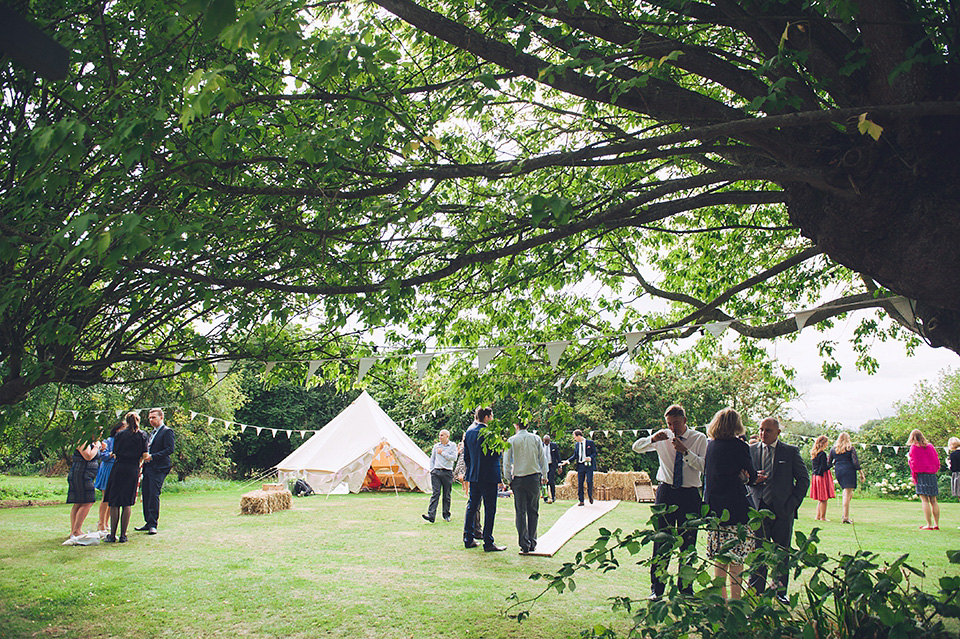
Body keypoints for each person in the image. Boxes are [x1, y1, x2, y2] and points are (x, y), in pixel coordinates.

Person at [632, 404, 707, 599]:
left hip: (690, 494)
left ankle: (686, 589)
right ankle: (657, 589)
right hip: (665, 492)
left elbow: (704, 466)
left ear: (685, 421)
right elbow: (637, 448)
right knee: (661, 540)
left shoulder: (699, 438)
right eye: (669, 423)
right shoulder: (662, 436)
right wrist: (651, 439)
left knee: (688, 542)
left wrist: (685, 452)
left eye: (675, 423)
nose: (672, 427)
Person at [747, 417, 809, 602]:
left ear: (778, 433)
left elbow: (803, 480)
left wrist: (792, 504)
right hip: (758, 508)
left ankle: (779, 592)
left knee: (782, 553)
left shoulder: (789, 452)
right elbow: (742, 478)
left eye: (768, 431)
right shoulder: (750, 451)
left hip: (782, 509)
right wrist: (751, 479)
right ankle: (755, 593)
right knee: (758, 552)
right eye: (761, 430)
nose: (763, 434)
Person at [703, 408, 757, 600]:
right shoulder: (740, 446)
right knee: (736, 562)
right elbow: (752, 476)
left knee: (719, 561)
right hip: (736, 509)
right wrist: (745, 477)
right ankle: (735, 604)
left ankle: (720, 604)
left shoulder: (711, 446)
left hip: (716, 509)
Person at [462, 407, 505, 551]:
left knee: (472, 506)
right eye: (491, 416)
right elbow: (497, 455)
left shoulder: (468, 433)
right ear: (486, 417)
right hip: (489, 476)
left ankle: (468, 538)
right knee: (490, 508)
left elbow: (466, 456)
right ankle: (488, 541)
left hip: (474, 475)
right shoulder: (490, 434)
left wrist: (472, 470)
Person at [503, 422, 549, 553]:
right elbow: (542, 458)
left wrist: (508, 478)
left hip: (518, 478)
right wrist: (544, 474)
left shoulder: (511, 440)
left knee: (520, 511)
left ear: (515, 425)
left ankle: (524, 543)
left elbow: (506, 462)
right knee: (533, 510)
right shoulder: (535, 439)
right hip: (533, 477)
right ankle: (532, 541)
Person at [103, 411, 148, 543]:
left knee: (115, 502)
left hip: (119, 468)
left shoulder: (120, 435)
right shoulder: (143, 435)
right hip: (132, 468)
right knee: (127, 502)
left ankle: (112, 535)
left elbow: (115, 453)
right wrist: (138, 461)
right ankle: (123, 535)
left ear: (126, 421)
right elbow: (145, 455)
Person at [136, 407, 174, 535]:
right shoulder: (151, 433)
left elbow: (169, 449)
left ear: (161, 417)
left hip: (159, 467)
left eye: (153, 417)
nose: (151, 420)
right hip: (148, 466)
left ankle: (153, 524)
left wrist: (153, 456)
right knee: (146, 493)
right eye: (149, 418)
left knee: (153, 493)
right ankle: (147, 521)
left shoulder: (167, 431)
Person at [64, 435, 102, 545]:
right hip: (81, 474)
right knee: (87, 501)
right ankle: (76, 530)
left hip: (88, 474)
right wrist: (96, 447)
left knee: (80, 501)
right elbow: (88, 456)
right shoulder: (82, 440)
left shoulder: (94, 442)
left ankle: (75, 530)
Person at [94, 421, 124, 535]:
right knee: (105, 497)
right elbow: (103, 456)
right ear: (118, 429)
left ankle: (106, 523)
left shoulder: (123, 440)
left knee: (112, 499)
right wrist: (112, 454)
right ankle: (101, 523)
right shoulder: (108, 441)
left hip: (117, 469)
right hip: (108, 469)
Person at [907, 429, 941, 530]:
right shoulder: (930, 446)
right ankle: (936, 524)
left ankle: (929, 524)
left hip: (921, 475)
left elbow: (913, 462)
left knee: (925, 500)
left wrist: (909, 460)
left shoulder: (914, 448)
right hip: (931, 475)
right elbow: (936, 460)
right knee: (934, 500)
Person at [423, 429, 458, 523]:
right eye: (439, 435)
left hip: (447, 472)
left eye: (442, 435)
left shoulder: (453, 445)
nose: (440, 437)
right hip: (436, 472)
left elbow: (454, 458)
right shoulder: (436, 446)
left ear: (447, 436)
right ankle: (431, 515)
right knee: (435, 493)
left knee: (446, 494)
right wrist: (432, 469)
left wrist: (442, 453)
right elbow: (432, 459)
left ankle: (446, 514)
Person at [828, 432, 864, 524]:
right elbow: (855, 462)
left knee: (847, 493)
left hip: (839, 470)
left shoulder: (833, 449)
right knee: (847, 493)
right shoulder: (850, 449)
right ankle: (845, 517)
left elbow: (829, 462)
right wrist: (861, 473)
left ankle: (845, 513)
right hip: (849, 470)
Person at [560, 430, 596, 506]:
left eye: (575, 437)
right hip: (580, 465)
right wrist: (567, 461)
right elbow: (575, 455)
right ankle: (581, 500)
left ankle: (590, 495)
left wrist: (590, 457)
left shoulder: (590, 443)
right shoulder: (577, 445)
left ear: (579, 436)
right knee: (580, 483)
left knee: (589, 481)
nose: (574, 439)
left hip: (589, 465)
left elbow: (595, 453)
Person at [809, 435, 836, 521]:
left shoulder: (814, 453)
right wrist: (831, 464)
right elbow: (824, 467)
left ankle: (818, 516)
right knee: (824, 499)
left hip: (815, 476)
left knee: (820, 499)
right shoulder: (822, 454)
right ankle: (823, 517)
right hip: (821, 476)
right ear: (823, 443)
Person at [542, 434, 560, 503]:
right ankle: (545, 498)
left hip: (551, 465)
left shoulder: (554, 445)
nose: (546, 443)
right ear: (543, 441)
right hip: (543, 466)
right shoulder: (541, 446)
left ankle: (553, 496)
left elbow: (558, 456)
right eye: (545, 441)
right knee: (544, 482)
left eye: (548, 441)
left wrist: (559, 466)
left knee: (551, 480)